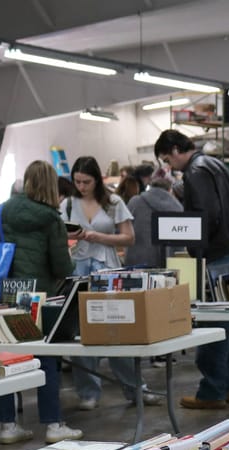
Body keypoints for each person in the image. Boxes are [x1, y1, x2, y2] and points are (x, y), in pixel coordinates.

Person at [155, 129, 229, 410]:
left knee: (213, 325)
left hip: (218, 253)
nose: (168, 167)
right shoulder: (214, 162)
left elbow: (207, 214)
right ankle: (227, 384)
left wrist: (196, 250)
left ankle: (211, 391)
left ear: (174, 149)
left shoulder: (196, 171)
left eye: (166, 160)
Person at [0, 161, 81, 444]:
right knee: (46, 358)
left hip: (5, 293)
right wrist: (72, 253)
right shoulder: (51, 218)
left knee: (3, 358)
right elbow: (61, 268)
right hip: (38, 296)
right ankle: (53, 424)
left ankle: (8, 425)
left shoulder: (2, 210)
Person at [66, 156, 162, 410]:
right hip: (78, 270)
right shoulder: (67, 204)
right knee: (81, 333)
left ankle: (135, 388)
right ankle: (88, 392)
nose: (81, 186)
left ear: (96, 180)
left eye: (86, 181)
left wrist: (99, 236)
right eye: (77, 181)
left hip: (107, 270)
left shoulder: (113, 202)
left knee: (117, 331)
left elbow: (129, 238)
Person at [124, 178, 183, 268]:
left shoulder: (135, 202)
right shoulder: (177, 207)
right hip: (166, 263)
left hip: (136, 260)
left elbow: (125, 228)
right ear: (170, 189)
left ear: (151, 187)